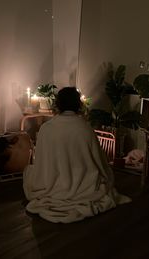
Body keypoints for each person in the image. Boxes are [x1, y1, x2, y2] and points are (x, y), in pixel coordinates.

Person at [23, 86, 131, 223]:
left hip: (51, 181)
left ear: (58, 104)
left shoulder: (46, 128)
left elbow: (40, 162)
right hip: (84, 184)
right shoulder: (85, 128)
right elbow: (98, 160)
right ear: (78, 104)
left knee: (28, 172)